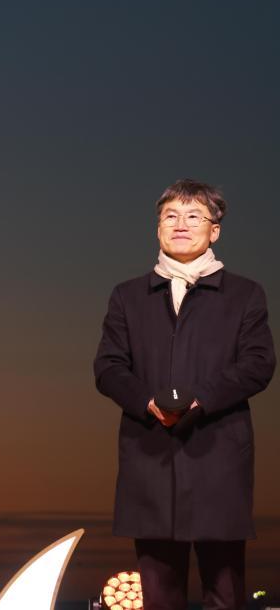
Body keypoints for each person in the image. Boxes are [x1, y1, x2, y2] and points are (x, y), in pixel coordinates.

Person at [94, 179, 275, 610]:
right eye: (170, 216)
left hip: (219, 455)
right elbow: (108, 367)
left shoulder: (245, 294)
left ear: (214, 231)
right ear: (157, 228)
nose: (181, 225)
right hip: (150, 454)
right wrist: (146, 402)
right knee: (159, 592)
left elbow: (258, 364)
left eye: (194, 216)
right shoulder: (128, 296)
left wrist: (201, 400)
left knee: (225, 592)